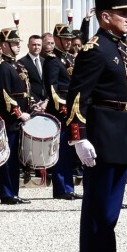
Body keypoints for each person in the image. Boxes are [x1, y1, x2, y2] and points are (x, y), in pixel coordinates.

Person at [65, 0, 127, 252]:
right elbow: (77, 96)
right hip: (102, 133)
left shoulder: (117, 48)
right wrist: (78, 137)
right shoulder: (95, 49)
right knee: (99, 204)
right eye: (123, 15)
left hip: (119, 130)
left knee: (111, 207)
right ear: (105, 17)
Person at [0, 27, 32, 205]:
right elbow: (5, 95)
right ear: (4, 45)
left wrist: (31, 107)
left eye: (17, 43)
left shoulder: (17, 65)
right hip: (10, 118)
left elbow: (25, 90)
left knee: (15, 157)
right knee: (7, 157)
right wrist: (19, 114)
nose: (17, 46)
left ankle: (13, 191)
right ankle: (7, 193)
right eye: (14, 43)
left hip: (22, 115)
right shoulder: (1, 68)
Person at [42, 24, 81, 200]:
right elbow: (52, 89)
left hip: (71, 110)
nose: (68, 42)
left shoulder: (69, 59)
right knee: (61, 151)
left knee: (69, 151)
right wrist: (63, 108)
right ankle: (61, 188)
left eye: (70, 39)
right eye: (65, 39)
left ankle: (69, 187)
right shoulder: (52, 61)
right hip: (61, 111)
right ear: (56, 40)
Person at [19, 34, 46, 104]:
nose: (36, 47)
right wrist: (37, 101)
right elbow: (24, 85)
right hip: (32, 102)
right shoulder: (21, 62)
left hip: (47, 102)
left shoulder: (45, 61)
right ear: (28, 46)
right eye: (34, 45)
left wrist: (46, 101)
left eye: (39, 45)